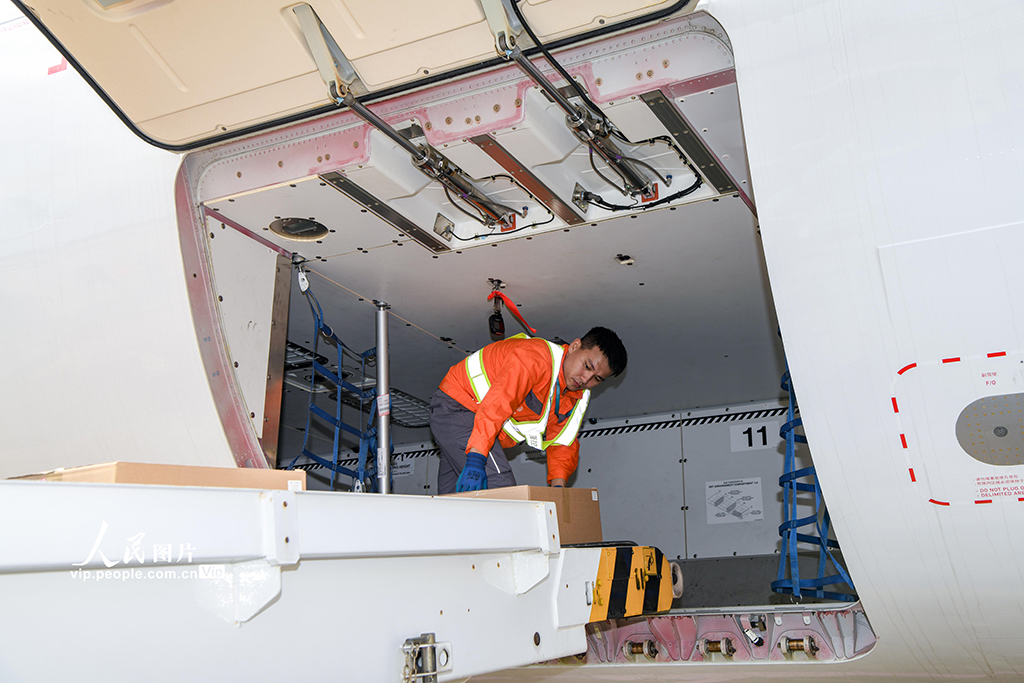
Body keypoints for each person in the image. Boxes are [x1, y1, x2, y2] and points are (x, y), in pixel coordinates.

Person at [430, 327, 627, 494]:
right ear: (575, 346)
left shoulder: (576, 395)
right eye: (587, 366)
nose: (585, 379)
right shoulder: (536, 357)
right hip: (459, 407)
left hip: (473, 424)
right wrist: (476, 459)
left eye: (597, 379)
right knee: (502, 489)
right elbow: (499, 404)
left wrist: (559, 490)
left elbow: (563, 442)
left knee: (452, 500)